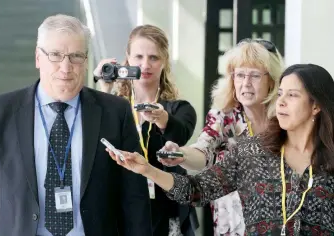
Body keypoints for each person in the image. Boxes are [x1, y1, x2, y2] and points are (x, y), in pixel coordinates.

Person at [108, 64, 334, 235]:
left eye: (292, 95)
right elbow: (195, 190)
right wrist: (148, 169)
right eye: (281, 93)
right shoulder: (250, 153)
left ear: (316, 105)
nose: (281, 101)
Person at [0, 14, 152, 236]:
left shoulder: (115, 112)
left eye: (76, 56)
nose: (66, 68)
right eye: (55, 55)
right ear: (38, 57)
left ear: (86, 61)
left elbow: (135, 199)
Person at [158, 39, 284, 235]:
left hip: (278, 221)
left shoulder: (283, 118)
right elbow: (203, 150)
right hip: (234, 225)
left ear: (272, 80)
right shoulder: (224, 116)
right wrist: (181, 154)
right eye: (240, 75)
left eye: (255, 75)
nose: (246, 83)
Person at [94, 25, 198, 236]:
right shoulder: (115, 106)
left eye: (153, 57)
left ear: (165, 61)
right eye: (139, 56)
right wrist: (104, 87)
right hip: (121, 212)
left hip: (165, 214)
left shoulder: (179, 109)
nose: (145, 65)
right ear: (127, 59)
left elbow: (179, 136)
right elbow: (96, 137)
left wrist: (162, 118)